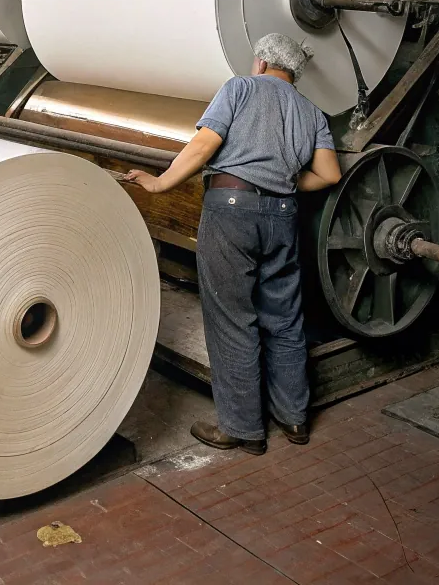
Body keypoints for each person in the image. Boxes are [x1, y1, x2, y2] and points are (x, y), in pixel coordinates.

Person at [125, 33, 341, 455]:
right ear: (292, 71)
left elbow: (204, 145)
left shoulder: (239, 88)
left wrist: (159, 183)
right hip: (282, 217)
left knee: (232, 319)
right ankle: (294, 419)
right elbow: (330, 175)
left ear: (260, 62)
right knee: (283, 319)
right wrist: (284, 182)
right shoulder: (312, 112)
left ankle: (243, 429)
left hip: (231, 210)